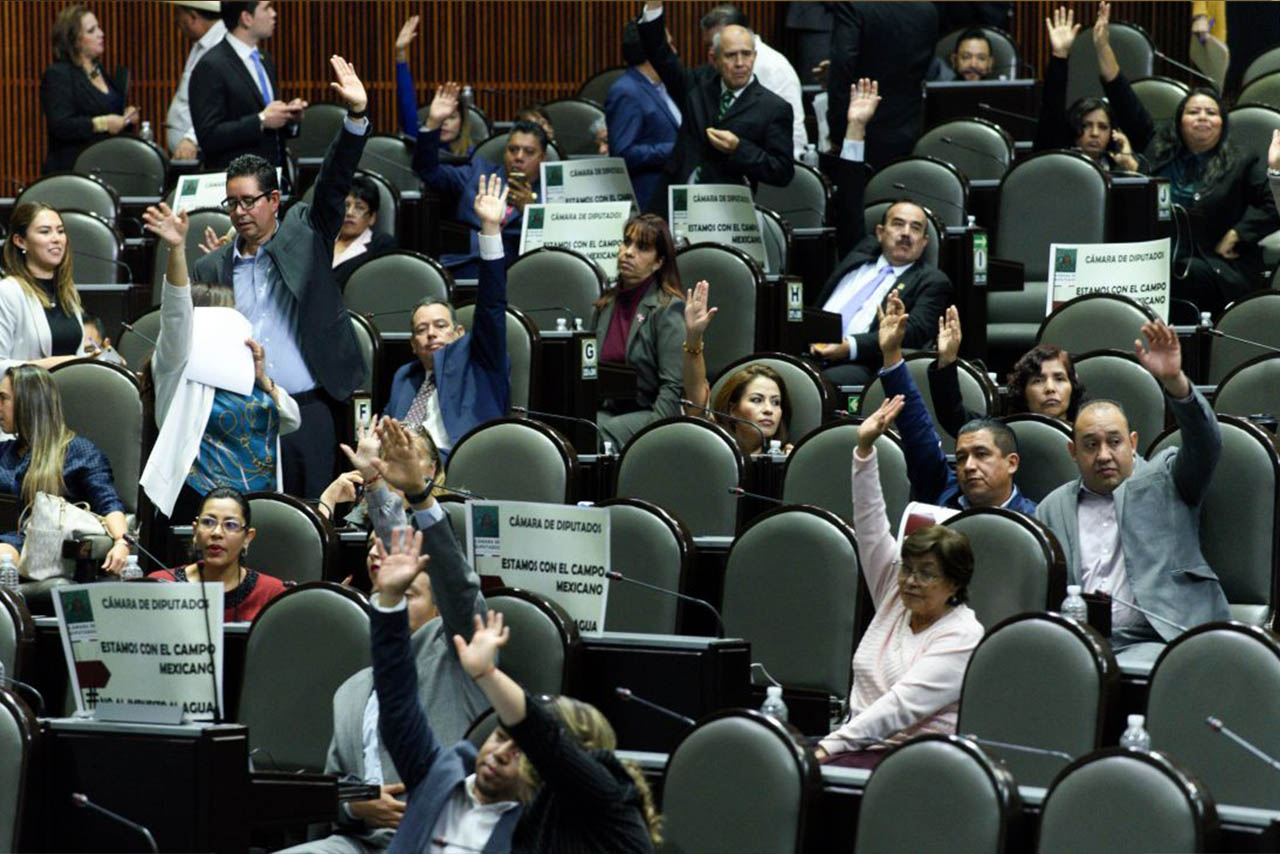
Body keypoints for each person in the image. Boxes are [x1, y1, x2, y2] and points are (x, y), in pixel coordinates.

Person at [370, 530, 661, 851]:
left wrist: (487, 675)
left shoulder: (547, 830)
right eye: (499, 736)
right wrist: (390, 602)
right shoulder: (436, 775)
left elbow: (545, 741)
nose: (499, 753)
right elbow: (397, 703)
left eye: (521, 750)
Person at [289, 418, 488, 853]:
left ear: (440, 606)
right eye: (386, 596)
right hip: (357, 842)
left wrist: (414, 494)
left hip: (437, 838)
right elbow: (334, 790)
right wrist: (354, 807)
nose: (392, 600)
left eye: (408, 593)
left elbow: (455, 584)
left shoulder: (459, 652)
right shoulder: (351, 692)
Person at [191, 54, 367, 499]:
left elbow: (333, 180)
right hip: (242, 415)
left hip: (308, 411)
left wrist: (355, 117)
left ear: (273, 200)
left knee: (313, 516)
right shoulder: (211, 267)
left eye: (249, 201)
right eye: (232, 203)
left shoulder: (307, 234)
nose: (239, 212)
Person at [1037, 320, 1231, 649]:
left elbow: (1206, 444)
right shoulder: (1051, 508)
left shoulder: (1167, 479)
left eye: (1115, 442)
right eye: (1090, 445)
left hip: (1167, 637)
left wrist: (1176, 382)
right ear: (1073, 452)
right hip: (1083, 644)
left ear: (1133, 442)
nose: (1103, 455)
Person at [815, 394, 982, 768]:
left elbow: (898, 706)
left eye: (927, 573)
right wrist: (864, 450)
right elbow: (871, 525)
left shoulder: (963, 636)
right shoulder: (895, 594)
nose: (910, 581)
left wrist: (829, 746)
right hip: (855, 743)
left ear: (955, 583)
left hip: (911, 763)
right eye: (907, 568)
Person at [1093, 1, 1279, 316]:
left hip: (1216, 265)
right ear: (1180, 121)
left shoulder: (1241, 161)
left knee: (1181, 274)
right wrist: (1102, 48)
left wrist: (1238, 233)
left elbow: (1273, 203)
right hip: (1158, 259)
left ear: (1223, 123)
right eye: (1194, 112)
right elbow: (1123, 100)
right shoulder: (1158, 149)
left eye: (1211, 113)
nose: (1202, 117)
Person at [139, 201, 300, 525]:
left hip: (255, 507)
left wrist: (264, 381)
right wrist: (177, 249)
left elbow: (291, 419)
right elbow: (176, 314)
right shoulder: (177, 368)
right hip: (195, 509)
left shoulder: (246, 375)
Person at [809, 80, 952, 387]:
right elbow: (848, 200)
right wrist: (855, 128)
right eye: (898, 224)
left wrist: (850, 346)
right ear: (880, 232)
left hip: (860, 363)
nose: (906, 233)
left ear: (925, 242)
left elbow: (915, 332)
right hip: (807, 350)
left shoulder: (931, 281)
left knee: (819, 383)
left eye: (916, 228)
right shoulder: (858, 254)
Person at [384, 175, 511, 458]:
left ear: (459, 333)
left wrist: (490, 229)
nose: (431, 333)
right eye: (421, 329)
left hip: (460, 464)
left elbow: (491, 305)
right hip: (402, 467)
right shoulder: (404, 377)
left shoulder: (481, 360)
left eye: (441, 326)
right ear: (413, 345)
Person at [877, 292, 1037, 514]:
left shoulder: (1035, 521)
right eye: (961, 458)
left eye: (981, 454)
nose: (968, 466)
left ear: (1011, 463)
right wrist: (891, 352)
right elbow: (916, 429)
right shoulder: (942, 490)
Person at [637, 0, 794, 212]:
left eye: (746, 54)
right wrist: (653, 7)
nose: (740, 63)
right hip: (676, 198)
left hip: (726, 209)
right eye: (730, 55)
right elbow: (659, 53)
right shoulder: (696, 84)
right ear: (715, 58)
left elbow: (782, 171)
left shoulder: (773, 107)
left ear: (754, 56)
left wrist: (738, 148)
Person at [0, 364, 128, 573]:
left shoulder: (79, 452)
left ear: (27, 403)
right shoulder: (4, 452)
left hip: (39, 551)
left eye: (3, 398)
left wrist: (121, 542)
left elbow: (109, 505)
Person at [413, 83, 546, 276]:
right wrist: (433, 122)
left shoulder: (549, 193)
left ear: (542, 157)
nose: (518, 157)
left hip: (517, 272)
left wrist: (530, 211)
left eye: (529, 152)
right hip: (466, 266)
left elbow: (551, 247)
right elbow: (428, 171)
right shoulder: (478, 173)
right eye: (513, 149)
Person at [592, 213, 686, 449]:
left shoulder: (668, 308)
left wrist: (652, 438)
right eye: (626, 242)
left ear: (659, 262)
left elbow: (673, 387)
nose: (628, 252)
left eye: (642, 247)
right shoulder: (604, 304)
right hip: (608, 409)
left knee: (600, 432)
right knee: (573, 426)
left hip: (652, 412)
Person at [928, 305, 1087, 438]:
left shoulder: (1088, 434)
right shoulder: (1007, 433)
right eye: (1038, 380)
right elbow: (954, 417)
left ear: (1072, 387)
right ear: (1023, 392)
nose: (1050, 388)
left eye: (1059, 379)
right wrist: (947, 360)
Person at [190, 1, 306, 173]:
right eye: (266, 8)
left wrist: (288, 118)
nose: (273, 14)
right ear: (246, 18)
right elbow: (209, 136)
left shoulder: (264, 59)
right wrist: (261, 121)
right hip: (238, 180)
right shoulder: (211, 66)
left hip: (273, 175)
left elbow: (268, 120)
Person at [147, 486, 287, 623]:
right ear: (195, 531)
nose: (217, 533)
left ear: (247, 537)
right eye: (208, 522)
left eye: (230, 525)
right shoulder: (160, 585)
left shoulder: (271, 594)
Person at [682, 280, 791, 455]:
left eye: (776, 402)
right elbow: (695, 390)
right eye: (757, 400)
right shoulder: (715, 445)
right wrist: (694, 336)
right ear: (733, 410)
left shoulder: (789, 456)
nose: (769, 410)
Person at [826, 2, 938, 166]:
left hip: (860, 126)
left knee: (853, 180)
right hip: (909, 126)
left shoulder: (853, 6)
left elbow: (843, 68)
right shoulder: (928, 9)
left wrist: (838, 130)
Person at [1033, 5, 1139, 172]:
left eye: (1103, 127)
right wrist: (1059, 56)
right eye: (1085, 125)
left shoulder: (1120, 166)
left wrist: (1131, 169)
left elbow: (1125, 102)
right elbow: (1051, 110)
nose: (1094, 133)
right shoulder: (1058, 162)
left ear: (1113, 134)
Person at [39, 3, 139, 174]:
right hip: (74, 169)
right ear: (75, 41)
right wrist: (103, 123)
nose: (101, 34)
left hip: (107, 166)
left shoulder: (99, 70)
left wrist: (127, 117)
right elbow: (61, 125)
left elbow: (110, 111)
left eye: (98, 27)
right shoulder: (59, 74)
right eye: (92, 31)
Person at [699, 3, 808, 158]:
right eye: (709, 46)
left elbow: (792, 138)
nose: (711, 51)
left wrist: (739, 149)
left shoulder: (774, 68)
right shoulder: (707, 86)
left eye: (714, 43)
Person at [0, 204, 94, 371]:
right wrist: (54, 364)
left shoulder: (67, 291)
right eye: (45, 232)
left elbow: (74, 355)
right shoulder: (7, 292)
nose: (56, 239)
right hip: (30, 388)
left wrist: (94, 361)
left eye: (60, 231)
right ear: (20, 241)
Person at [606, 21, 681, 212]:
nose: (675, 51)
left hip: (672, 197)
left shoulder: (667, 86)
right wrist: (677, 148)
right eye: (669, 45)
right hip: (649, 203)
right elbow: (623, 154)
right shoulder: (626, 91)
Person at [393, 16, 474, 158]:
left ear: (462, 123)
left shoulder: (473, 155)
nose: (444, 122)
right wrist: (400, 54)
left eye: (451, 117)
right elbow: (406, 101)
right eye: (441, 116)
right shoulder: (419, 141)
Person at [165, 1, 227, 160]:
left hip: (200, 151)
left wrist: (192, 138)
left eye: (179, 16)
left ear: (193, 17)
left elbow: (218, 103)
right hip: (189, 153)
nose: (177, 23)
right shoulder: (202, 43)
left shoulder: (221, 46)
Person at [332, 175, 397, 288]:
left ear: (372, 217)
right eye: (346, 206)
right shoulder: (321, 238)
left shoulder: (381, 245)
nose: (349, 213)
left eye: (359, 207)